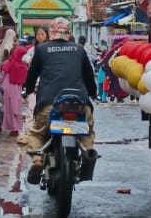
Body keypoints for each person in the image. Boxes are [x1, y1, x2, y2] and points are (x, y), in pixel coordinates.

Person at [21, 17, 99, 186]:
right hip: (79, 104)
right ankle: (88, 152)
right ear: (68, 32)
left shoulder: (41, 50)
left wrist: (27, 90)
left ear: (51, 33)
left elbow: (32, 75)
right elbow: (88, 77)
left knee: (36, 133)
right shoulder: (79, 50)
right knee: (87, 130)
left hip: (49, 104)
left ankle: (37, 159)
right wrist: (92, 93)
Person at [0, 39, 30, 137]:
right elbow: (25, 81)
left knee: (6, 108)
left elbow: (2, 75)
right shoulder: (24, 67)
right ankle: (15, 128)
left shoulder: (10, 63)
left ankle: (6, 126)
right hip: (16, 90)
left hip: (5, 89)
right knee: (16, 109)